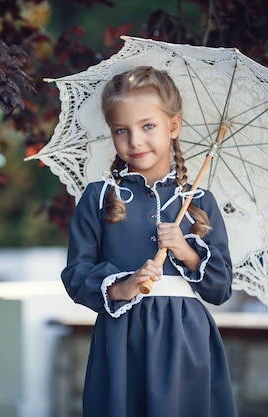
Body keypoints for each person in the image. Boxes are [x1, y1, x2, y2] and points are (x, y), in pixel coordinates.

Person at [61, 66, 238, 417]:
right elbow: (76, 275)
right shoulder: (99, 199)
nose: (135, 140)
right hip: (123, 340)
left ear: (173, 126)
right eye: (121, 130)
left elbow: (221, 288)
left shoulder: (199, 202)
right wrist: (124, 286)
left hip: (186, 339)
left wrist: (186, 250)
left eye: (148, 126)